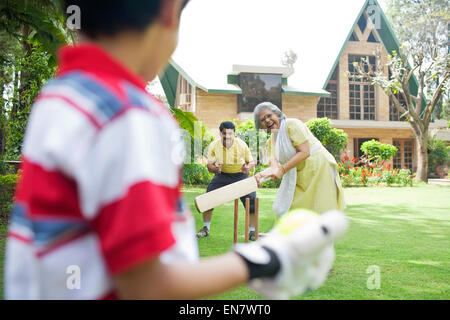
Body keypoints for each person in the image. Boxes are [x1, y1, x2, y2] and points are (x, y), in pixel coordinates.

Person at [4, 0, 343, 300]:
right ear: (169, 10)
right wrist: (266, 259)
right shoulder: (130, 113)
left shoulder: (59, 95)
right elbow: (147, 286)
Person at [254, 102, 346, 216]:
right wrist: (260, 176)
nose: (267, 120)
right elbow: (273, 167)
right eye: (263, 120)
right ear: (260, 125)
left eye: (269, 116)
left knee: (318, 209)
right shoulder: (270, 142)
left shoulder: (292, 124)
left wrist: (282, 170)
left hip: (318, 167)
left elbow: (305, 151)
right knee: (292, 209)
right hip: (298, 173)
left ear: (277, 114)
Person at [196, 121, 257, 240]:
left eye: (230, 133)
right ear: (220, 134)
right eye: (225, 133)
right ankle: (205, 228)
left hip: (240, 175)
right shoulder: (214, 145)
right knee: (208, 197)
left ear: (234, 134)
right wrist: (215, 169)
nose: (227, 136)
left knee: (252, 200)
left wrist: (247, 168)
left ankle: (252, 231)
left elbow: (251, 162)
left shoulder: (241, 144)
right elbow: (209, 166)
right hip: (222, 175)